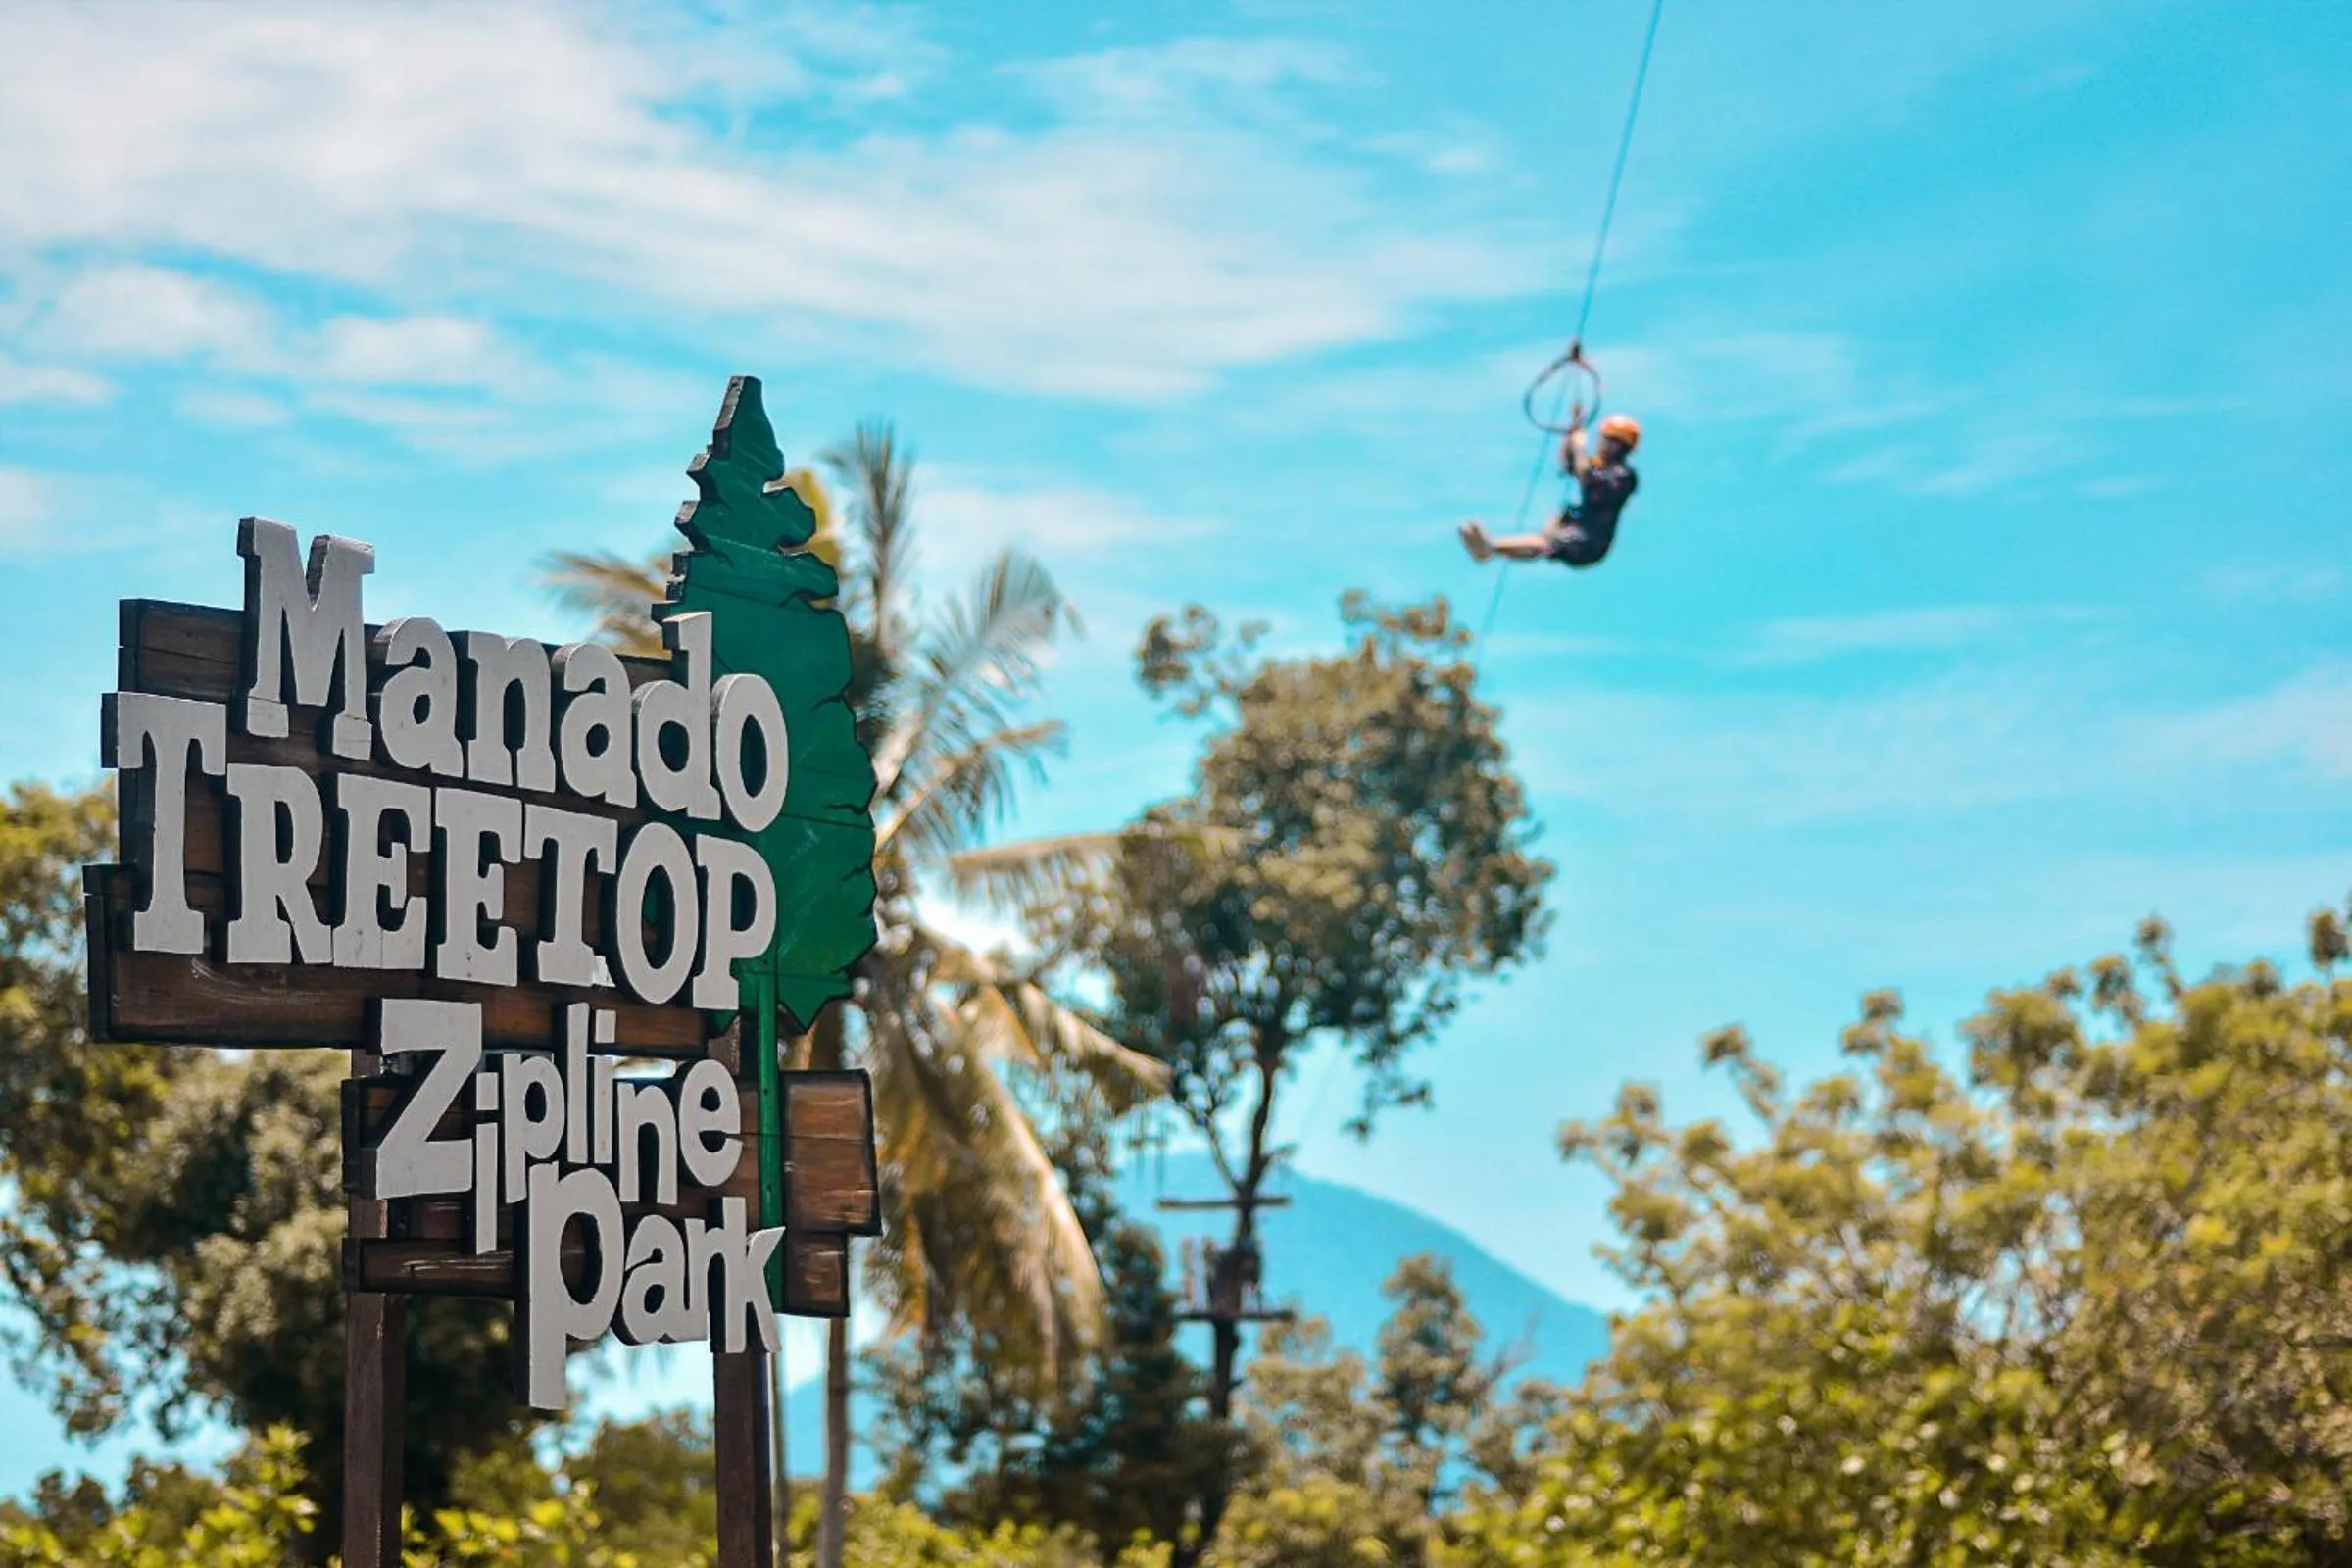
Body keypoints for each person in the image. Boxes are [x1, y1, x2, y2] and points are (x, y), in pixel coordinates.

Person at [1461, 412, 1642, 569]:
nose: (1601, 444)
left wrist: (1579, 447)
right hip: (1578, 529)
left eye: (1607, 440)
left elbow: (1587, 479)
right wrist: (1572, 432)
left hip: (1590, 543)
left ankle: (1491, 547)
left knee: (1546, 543)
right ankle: (1491, 549)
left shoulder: (1623, 475)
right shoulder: (1598, 467)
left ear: (1618, 446)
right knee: (1545, 539)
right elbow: (1569, 464)